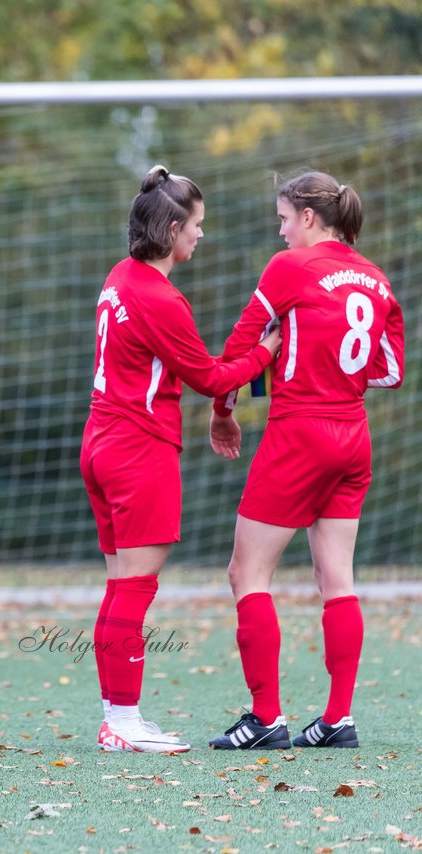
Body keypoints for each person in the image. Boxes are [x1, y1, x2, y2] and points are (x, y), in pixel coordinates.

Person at [81, 165, 282, 753]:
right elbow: (210, 376)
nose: (201, 235)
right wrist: (265, 352)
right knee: (134, 588)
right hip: (138, 449)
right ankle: (121, 722)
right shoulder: (159, 298)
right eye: (196, 225)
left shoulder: (120, 276)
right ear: (171, 229)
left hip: (101, 441)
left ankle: (119, 717)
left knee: (121, 584)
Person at [207, 172, 404, 750]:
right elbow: (389, 370)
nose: (281, 228)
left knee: (247, 573)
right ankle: (337, 719)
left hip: (300, 433)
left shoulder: (289, 267)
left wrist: (224, 408)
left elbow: (244, 344)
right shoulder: (373, 276)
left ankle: (266, 718)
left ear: (311, 219)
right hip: (353, 435)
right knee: (336, 576)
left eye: (285, 218)